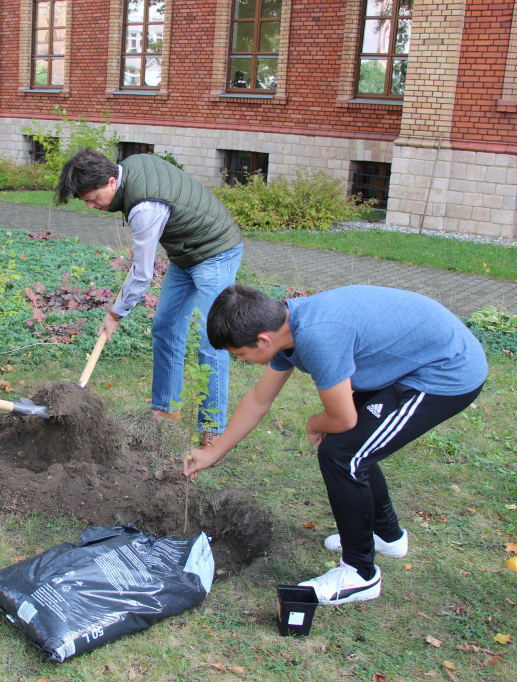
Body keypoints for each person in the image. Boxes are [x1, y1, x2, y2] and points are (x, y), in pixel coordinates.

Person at [183, 284, 487, 605]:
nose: (243, 361)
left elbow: (343, 420)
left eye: (241, 355)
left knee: (342, 452)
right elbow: (259, 399)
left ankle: (360, 575)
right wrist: (214, 452)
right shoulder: (289, 325)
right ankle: (387, 535)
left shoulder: (318, 336)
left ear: (263, 340)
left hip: (446, 369)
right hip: (411, 359)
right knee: (352, 447)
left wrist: (314, 423)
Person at [55, 149, 243, 446]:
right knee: (165, 327)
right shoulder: (130, 167)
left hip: (215, 250)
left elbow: (142, 273)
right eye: (85, 201)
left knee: (213, 340)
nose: (91, 206)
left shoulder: (144, 207)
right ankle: (167, 409)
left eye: (92, 198)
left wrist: (115, 314)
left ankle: (213, 428)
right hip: (185, 253)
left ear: (112, 181)